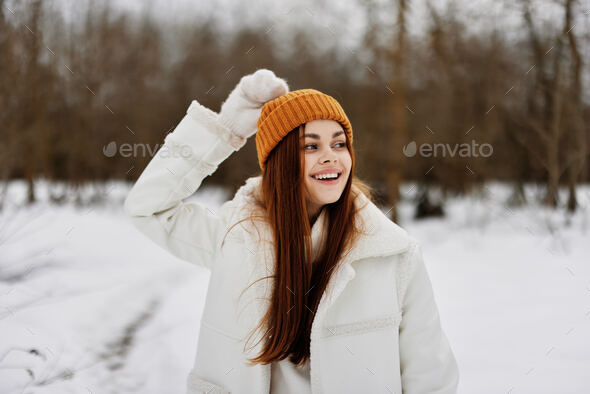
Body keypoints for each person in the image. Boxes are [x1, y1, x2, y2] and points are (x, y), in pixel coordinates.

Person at [124, 69, 459, 394]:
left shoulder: (393, 255)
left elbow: (430, 377)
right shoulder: (236, 237)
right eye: (310, 146)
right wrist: (225, 132)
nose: (331, 158)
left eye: (339, 144)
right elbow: (148, 206)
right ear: (281, 161)